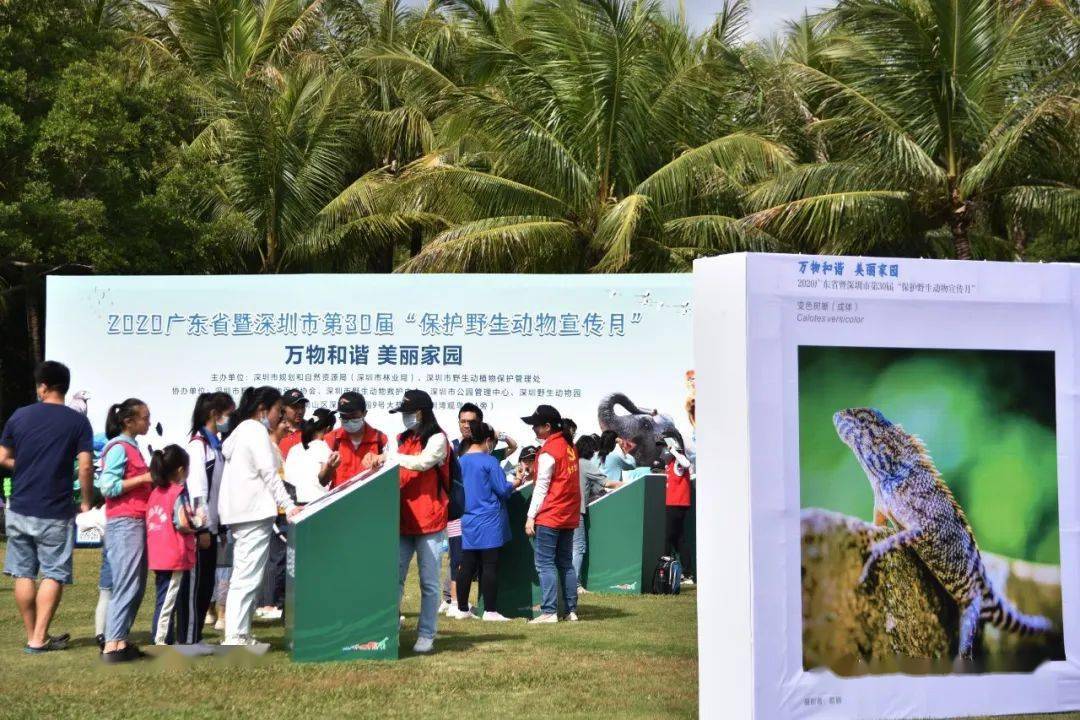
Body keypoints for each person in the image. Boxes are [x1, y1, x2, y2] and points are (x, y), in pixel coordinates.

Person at [0, 361, 93, 653]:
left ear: (42, 386)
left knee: (22, 572)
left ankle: (33, 635)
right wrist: (87, 501)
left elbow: (3, 458)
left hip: (20, 505)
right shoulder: (77, 422)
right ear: (64, 387)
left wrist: (27, 465)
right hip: (55, 507)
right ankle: (39, 637)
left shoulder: (19, 416)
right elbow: (86, 467)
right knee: (53, 573)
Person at [366, 390, 450, 654]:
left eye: (406, 413)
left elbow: (423, 463)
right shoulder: (401, 440)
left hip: (430, 521)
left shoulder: (438, 439)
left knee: (429, 582)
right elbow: (391, 465)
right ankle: (387, 627)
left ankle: (426, 634)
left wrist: (389, 458)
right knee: (393, 579)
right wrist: (376, 462)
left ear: (420, 413)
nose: (403, 418)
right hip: (402, 519)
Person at [217, 386, 299, 647]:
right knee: (247, 576)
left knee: (245, 574)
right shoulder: (254, 431)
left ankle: (239, 632)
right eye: (278, 411)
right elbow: (269, 474)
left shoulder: (243, 431)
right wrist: (289, 505)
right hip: (252, 512)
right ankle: (235, 636)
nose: (279, 419)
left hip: (244, 512)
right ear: (264, 410)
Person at [441, 402, 518, 614]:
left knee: (465, 566)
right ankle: (491, 611)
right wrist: (516, 482)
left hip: (466, 519)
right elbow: (502, 490)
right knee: (490, 566)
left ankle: (462, 609)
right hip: (488, 520)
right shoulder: (489, 461)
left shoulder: (459, 460)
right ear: (488, 440)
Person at [99, 398, 154, 662]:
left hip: (136, 522)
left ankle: (120, 640)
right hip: (124, 523)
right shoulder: (119, 448)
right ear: (128, 421)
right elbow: (107, 486)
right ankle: (112, 644)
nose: (148, 422)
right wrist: (143, 478)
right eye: (144, 417)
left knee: (136, 585)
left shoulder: (133, 447)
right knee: (127, 584)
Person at [522, 405, 581, 624]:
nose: (534, 430)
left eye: (536, 426)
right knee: (565, 563)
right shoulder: (570, 446)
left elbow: (541, 487)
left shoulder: (549, 451)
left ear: (547, 427)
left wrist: (530, 516)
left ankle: (548, 612)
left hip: (550, 514)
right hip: (568, 514)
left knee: (545, 564)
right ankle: (571, 611)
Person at [183, 391, 233, 642]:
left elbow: (219, 492)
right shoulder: (198, 446)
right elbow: (198, 492)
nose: (230, 420)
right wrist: (202, 529)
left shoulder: (216, 446)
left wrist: (220, 527)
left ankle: (195, 635)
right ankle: (189, 636)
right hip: (201, 531)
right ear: (215, 414)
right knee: (197, 587)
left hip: (213, 528)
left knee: (205, 586)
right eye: (228, 414)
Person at [146, 446, 199, 646]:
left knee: (163, 596)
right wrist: (197, 524)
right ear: (180, 470)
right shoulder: (178, 493)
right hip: (174, 555)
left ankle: (164, 638)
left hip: (158, 554)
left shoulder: (155, 493)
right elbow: (183, 523)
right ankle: (160, 641)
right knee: (168, 601)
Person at [572, 434, 623, 590]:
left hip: (563, 510)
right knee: (578, 548)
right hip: (576, 511)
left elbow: (593, 487)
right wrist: (628, 484)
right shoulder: (585, 464)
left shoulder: (572, 463)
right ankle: (575, 584)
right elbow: (607, 482)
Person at [325, 392, 388, 488]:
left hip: (369, 498)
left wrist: (381, 458)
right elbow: (322, 481)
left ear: (364, 413)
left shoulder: (380, 439)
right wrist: (329, 468)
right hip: (340, 500)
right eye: (344, 416)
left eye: (353, 415)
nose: (349, 420)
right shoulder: (332, 439)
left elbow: (390, 472)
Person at [283, 408, 340, 504]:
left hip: (293, 505)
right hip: (315, 505)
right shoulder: (323, 448)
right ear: (329, 429)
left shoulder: (294, 449)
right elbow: (323, 480)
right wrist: (330, 468)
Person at [662, 430, 694, 585]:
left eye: (665, 448)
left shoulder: (679, 462)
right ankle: (687, 574)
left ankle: (666, 571)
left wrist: (673, 450)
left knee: (669, 537)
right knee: (678, 539)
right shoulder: (670, 464)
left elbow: (687, 464)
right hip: (673, 504)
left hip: (677, 505)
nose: (662, 451)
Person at [277, 389, 309, 460]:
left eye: (302, 407)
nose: (300, 411)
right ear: (283, 407)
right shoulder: (275, 430)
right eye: (295, 407)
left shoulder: (311, 430)